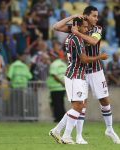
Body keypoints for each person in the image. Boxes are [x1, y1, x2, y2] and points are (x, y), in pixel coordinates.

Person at [51, 6, 120, 144]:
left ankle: (109, 129)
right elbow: (56, 27)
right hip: (81, 70)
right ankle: (78, 136)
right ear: (85, 16)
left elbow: (94, 41)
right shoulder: (79, 25)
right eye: (94, 16)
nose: (96, 18)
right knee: (82, 104)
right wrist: (72, 18)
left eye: (97, 16)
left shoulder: (97, 29)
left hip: (95, 70)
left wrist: (77, 33)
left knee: (104, 100)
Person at [46, 51, 67, 122]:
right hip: (62, 87)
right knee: (61, 104)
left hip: (55, 87)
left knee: (56, 104)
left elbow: (54, 75)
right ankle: (64, 119)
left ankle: (59, 119)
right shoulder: (63, 64)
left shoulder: (53, 64)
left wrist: (61, 83)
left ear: (54, 56)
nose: (50, 57)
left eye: (51, 56)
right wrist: (64, 84)